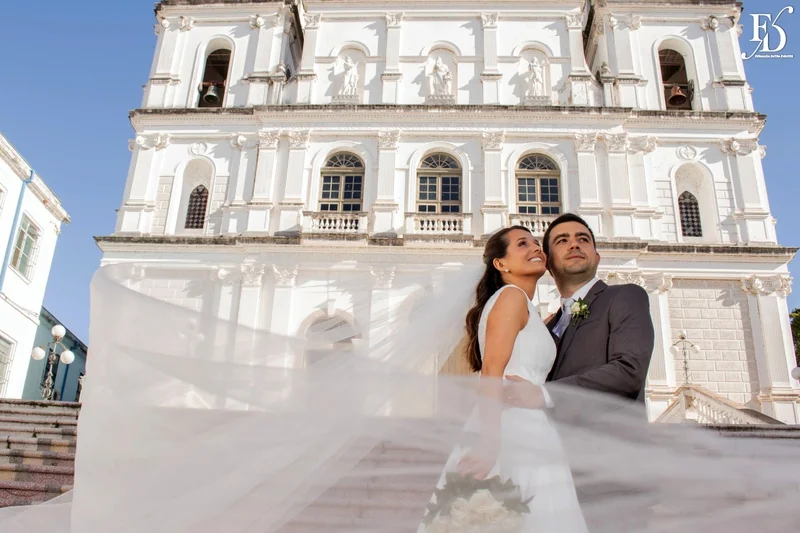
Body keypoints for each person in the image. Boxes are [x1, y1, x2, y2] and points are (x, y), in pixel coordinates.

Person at [419, 225, 589, 532]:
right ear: (501, 263)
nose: (536, 248)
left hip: (530, 425)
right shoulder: (511, 297)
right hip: (513, 427)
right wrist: (489, 443)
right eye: (522, 244)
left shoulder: (522, 305)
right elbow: (491, 372)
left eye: (536, 243)